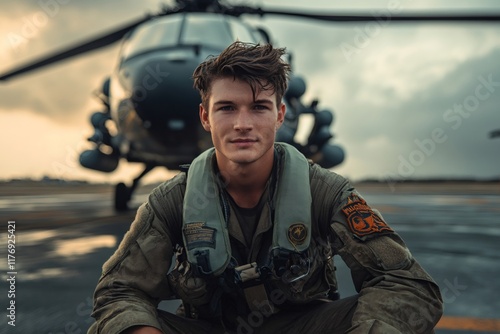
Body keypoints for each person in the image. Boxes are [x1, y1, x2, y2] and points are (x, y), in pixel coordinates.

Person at [88, 41, 443, 334]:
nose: (243, 124)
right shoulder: (171, 201)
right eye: (226, 108)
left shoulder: (325, 192)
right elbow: (118, 291)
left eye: (259, 107)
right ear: (205, 116)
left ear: (279, 115)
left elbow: (407, 283)